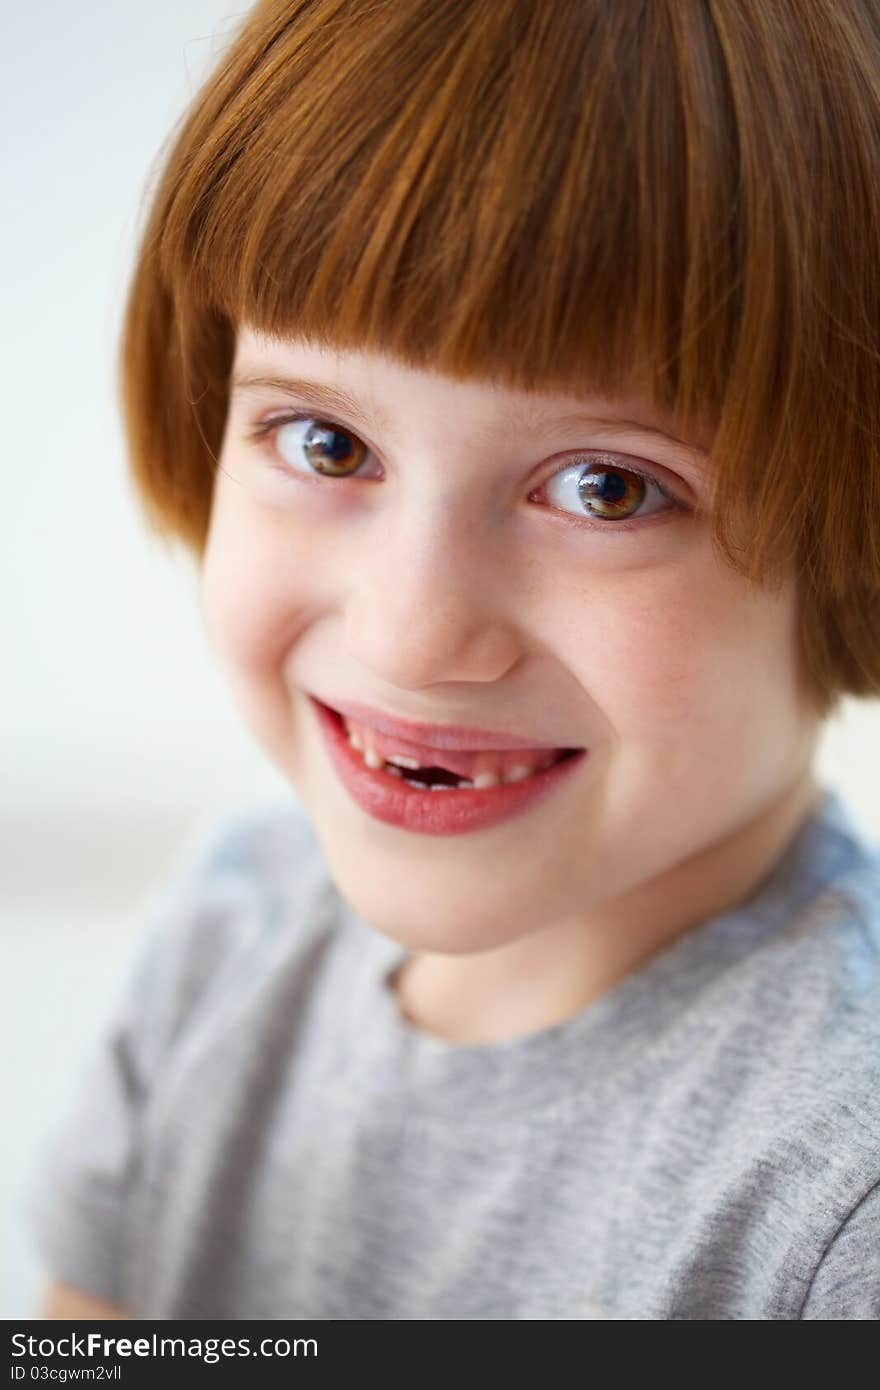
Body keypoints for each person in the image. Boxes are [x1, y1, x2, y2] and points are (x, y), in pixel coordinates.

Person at [23, 0, 880, 1319]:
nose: (408, 631)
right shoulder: (224, 935)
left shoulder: (837, 1200)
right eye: (326, 444)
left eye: (606, 488)